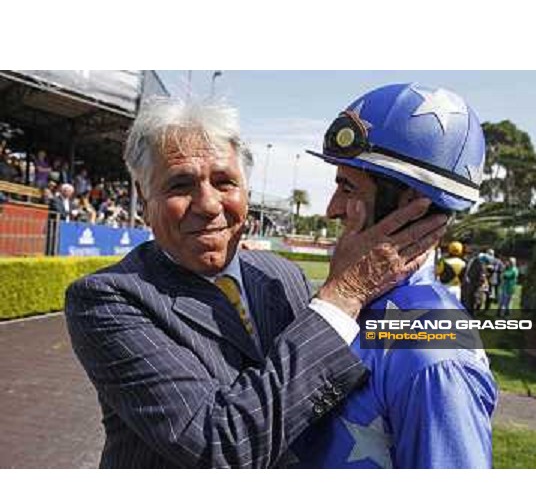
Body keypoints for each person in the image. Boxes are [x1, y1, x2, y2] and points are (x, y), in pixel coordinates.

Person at [65, 97, 446, 468]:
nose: (209, 204)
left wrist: (450, 340)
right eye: (180, 185)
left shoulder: (280, 274)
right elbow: (222, 448)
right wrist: (343, 294)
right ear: (143, 197)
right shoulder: (107, 299)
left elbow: (337, 364)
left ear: (247, 190)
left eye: (224, 182)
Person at [285, 83, 497, 468]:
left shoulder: (432, 351)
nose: (332, 210)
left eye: (347, 187)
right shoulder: (355, 301)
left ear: (411, 207)